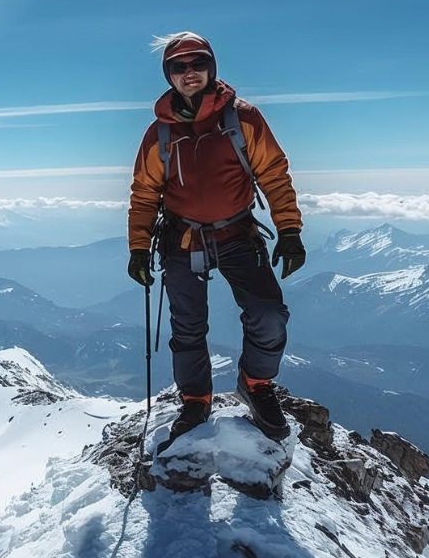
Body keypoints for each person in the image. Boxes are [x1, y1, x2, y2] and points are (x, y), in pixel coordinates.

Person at [124, 32, 306, 442]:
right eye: (179, 66)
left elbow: (274, 174)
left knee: (269, 313)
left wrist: (290, 230)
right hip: (181, 238)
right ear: (168, 75)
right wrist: (138, 247)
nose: (190, 72)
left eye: (198, 62)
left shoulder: (243, 119)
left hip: (238, 233)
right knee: (188, 327)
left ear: (212, 67)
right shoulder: (159, 134)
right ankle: (196, 399)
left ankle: (256, 384)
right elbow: (145, 192)